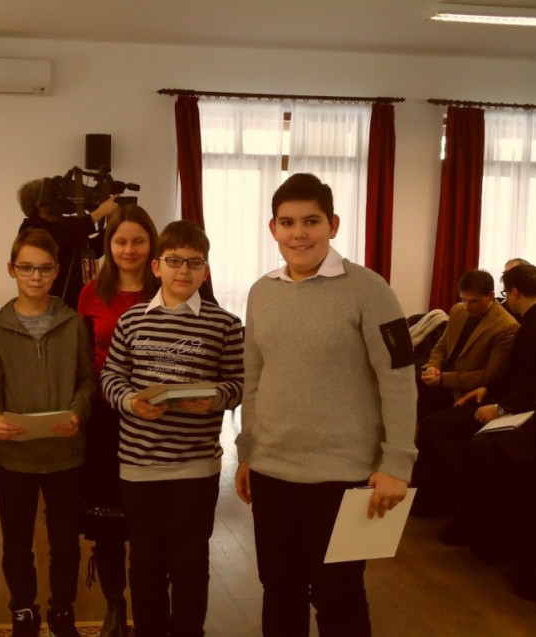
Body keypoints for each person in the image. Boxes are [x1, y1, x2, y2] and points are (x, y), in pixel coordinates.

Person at [234, 173, 417, 637]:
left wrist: (397, 463)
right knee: (280, 590)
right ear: (273, 228)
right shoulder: (261, 291)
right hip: (272, 471)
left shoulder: (369, 289)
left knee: (338, 596)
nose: (299, 233)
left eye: (311, 221)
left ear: (332, 225)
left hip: (344, 475)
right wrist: (247, 450)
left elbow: (399, 377)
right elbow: (254, 377)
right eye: (287, 222)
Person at [100, 220, 244, 637]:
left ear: (206, 270)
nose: (184, 270)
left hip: (196, 466)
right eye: (175, 261)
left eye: (194, 262)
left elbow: (239, 384)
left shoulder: (225, 324)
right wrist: (131, 402)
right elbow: (111, 377)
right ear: (157, 266)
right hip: (139, 465)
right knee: (145, 563)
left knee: (189, 562)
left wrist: (214, 398)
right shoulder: (132, 320)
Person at [0, 228, 95, 637]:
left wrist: (78, 413)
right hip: (16, 455)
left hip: (66, 453)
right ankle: (23, 611)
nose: (36, 276)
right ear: (11, 269)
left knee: (65, 542)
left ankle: (62, 611)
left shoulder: (72, 322)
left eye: (45, 269)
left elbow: (87, 380)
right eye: (27, 268)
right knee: (16, 542)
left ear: (57, 270)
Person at [77, 205, 159, 637]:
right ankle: (114, 603)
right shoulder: (91, 292)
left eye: (138, 241)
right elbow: (82, 356)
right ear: (108, 246)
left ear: (152, 244)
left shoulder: (169, 287)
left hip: (157, 417)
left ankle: (151, 605)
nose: (129, 249)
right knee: (108, 519)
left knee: (149, 517)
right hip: (106, 416)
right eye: (121, 241)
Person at [435, 264, 536, 559]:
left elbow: (529, 384)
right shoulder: (527, 322)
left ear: (513, 293)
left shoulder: (523, 326)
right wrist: (488, 391)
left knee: (486, 449)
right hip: (516, 401)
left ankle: (481, 535)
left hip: (522, 409)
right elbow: (516, 377)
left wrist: (501, 407)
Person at [418, 269, 519, 418]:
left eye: (473, 301)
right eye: (463, 299)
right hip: (440, 378)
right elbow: (442, 346)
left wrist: (442, 379)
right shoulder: (458, 310)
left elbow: (487, 376)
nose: (466, 306)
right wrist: (432, 367)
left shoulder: (507, 326)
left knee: (422, 409)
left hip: (464, 391)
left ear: (490, 296)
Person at [18, 178, 119, 309]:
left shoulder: (64, 225)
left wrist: (111, 227)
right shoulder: (30, 229)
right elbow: (58, 239)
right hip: (51, 306)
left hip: (80, 299)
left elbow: (92, 250)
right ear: (39, 204)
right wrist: (99, 213)